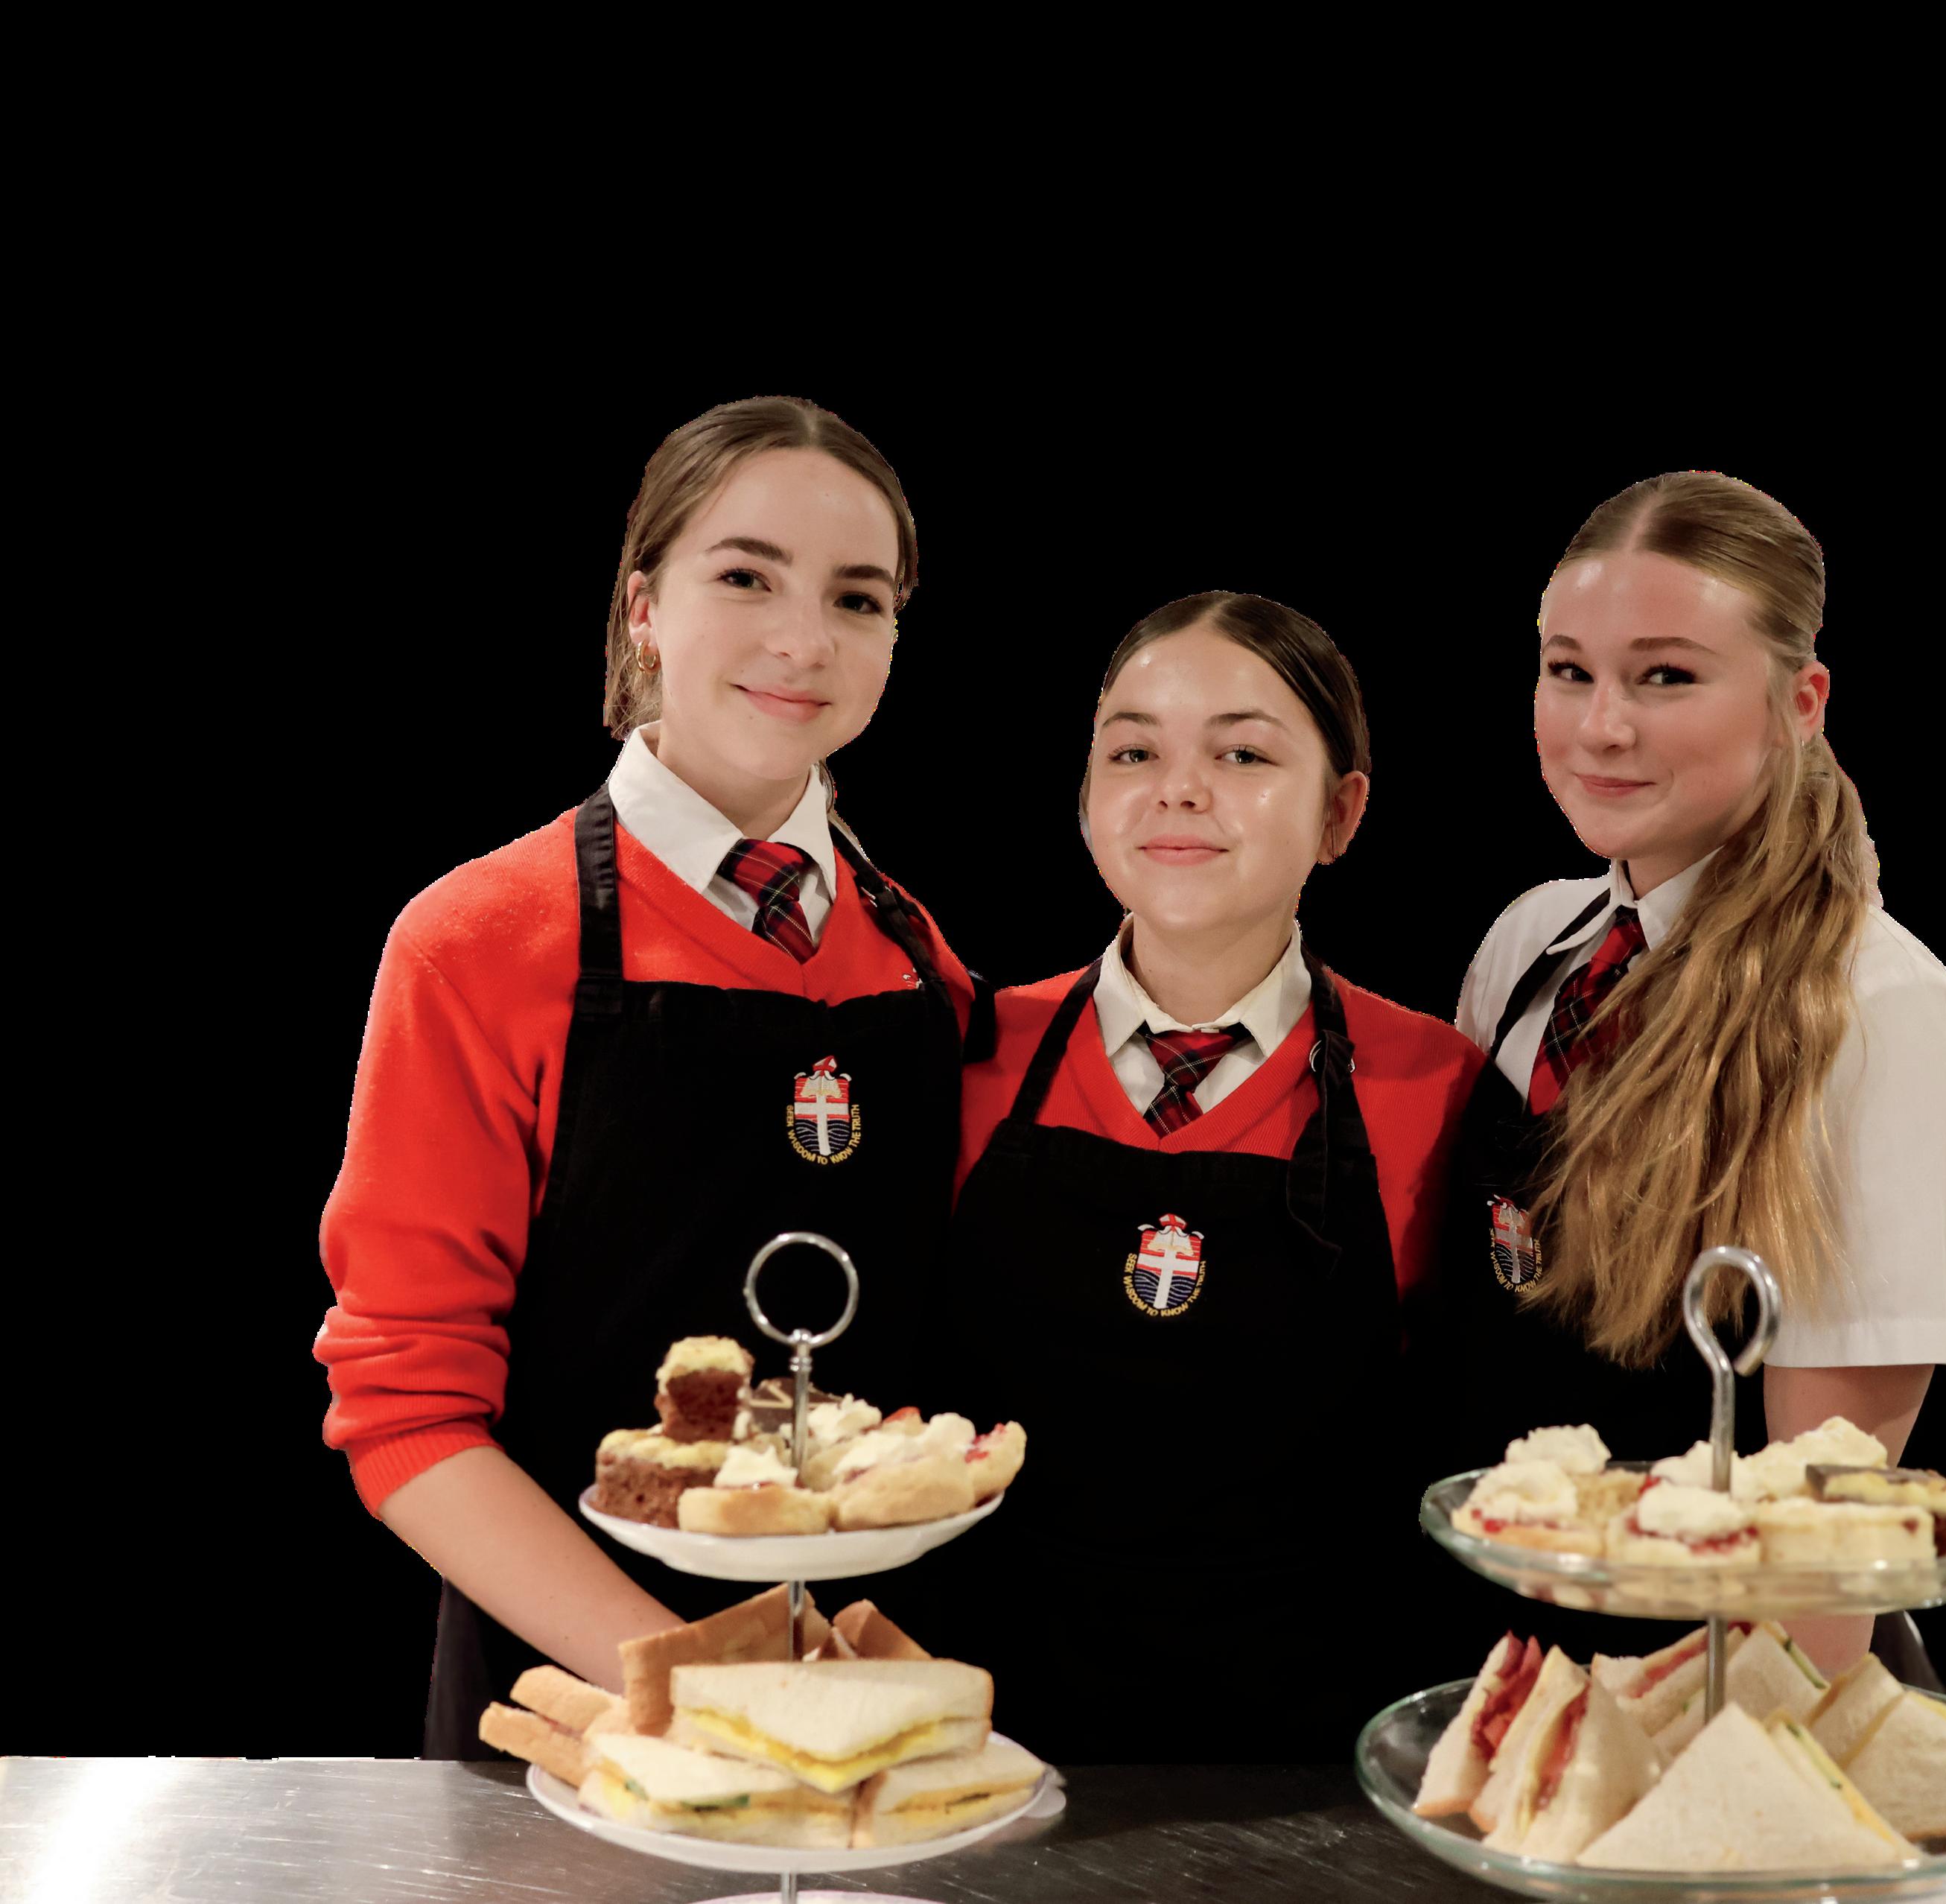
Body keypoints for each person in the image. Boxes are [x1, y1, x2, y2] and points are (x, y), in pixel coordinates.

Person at [314, 396, 980, 1757]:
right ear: (642, 609)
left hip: (865, 1692)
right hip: (581, 1706)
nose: (806, 639)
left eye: (858, 599)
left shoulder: (923, 959)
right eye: (746, 577)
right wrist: (703, 1685)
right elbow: (407, 1416)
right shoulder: (476, 942)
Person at [1424, 470, 1946, 1682]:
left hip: (1718, 1694)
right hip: (1503, 1664)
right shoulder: (1528, 945)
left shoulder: (1879, 1015)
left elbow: (1823, 1546)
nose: (1601, 727)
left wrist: (1723, 1779)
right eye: (1569, 670)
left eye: (1666, 676)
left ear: (1801, 703)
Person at [904, 593, 1487, 1763]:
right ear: (1086, 798)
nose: (1178, 789)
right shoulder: (961, 1050)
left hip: (1326, 1762)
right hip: (981, 1742)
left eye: (1242, 755)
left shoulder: (1440, 1081)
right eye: (1133, 753)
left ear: (1342, 813)